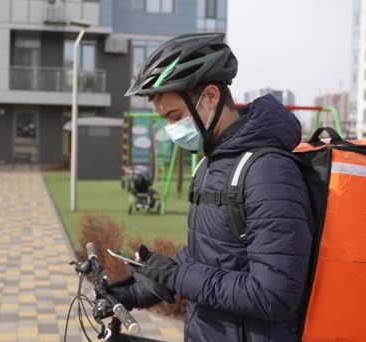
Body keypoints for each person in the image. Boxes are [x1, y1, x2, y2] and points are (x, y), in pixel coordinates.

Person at [111, 32, 313, 341]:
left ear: (210, 97)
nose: (170, 129)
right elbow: (206, 255)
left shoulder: (269, 172)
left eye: (175, 116)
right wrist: (133, 292)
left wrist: (177, 276)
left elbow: (273, 294)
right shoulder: (210, 164)